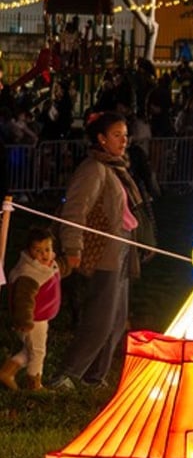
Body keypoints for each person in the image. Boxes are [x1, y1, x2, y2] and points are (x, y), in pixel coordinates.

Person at [49, 111, 148, 391]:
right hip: (104, 253)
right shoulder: (94, 169)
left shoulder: (118, 167)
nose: (124, 140)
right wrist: (72, 247)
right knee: (100, 319)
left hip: (122, 249)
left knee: (117, 319)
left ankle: (95, 375)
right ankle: (67, 373)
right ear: (101, 139)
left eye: (126, 135)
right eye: (117, 135)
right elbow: (75, 210)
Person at [0, 226, 68, 392]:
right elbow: (23, 300)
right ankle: (34, 385)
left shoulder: (46, 264)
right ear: (29, 251)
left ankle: (7, 372)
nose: (44, 254)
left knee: (29, 350)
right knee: (38, 352)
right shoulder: (29, 273)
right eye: (38, 250)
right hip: (33, 320)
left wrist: (69, 264)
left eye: (47, 249)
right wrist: (24, 321)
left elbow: (57, 269)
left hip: (40, 317)